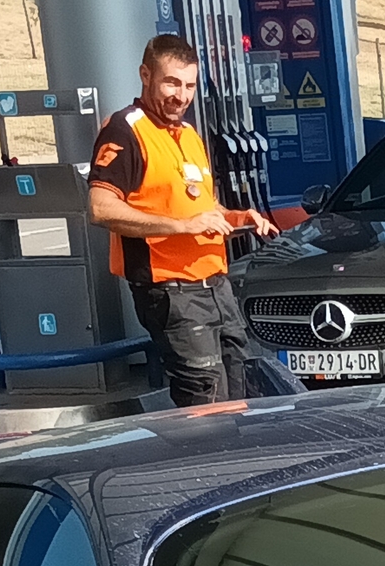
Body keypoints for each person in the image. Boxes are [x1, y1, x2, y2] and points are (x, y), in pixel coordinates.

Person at [87, 34, 276, 408]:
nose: (182, 95)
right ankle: (204, 465)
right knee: (205, 399)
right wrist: (181, 226)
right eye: (171, 82)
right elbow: (100, 208)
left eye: (189, 85)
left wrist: (238, 217)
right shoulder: (125, 129)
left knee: (241, 389)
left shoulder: (188, 133)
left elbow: (199, 206)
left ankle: (233, 464)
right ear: (145, 75)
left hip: (215, 285)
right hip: (171, 291)